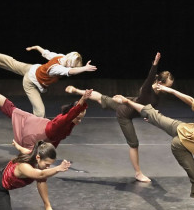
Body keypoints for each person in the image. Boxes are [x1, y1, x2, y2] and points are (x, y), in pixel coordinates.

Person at [66, 52, 174, 182]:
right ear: (159, 83)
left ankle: (76, 90)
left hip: (130, 102)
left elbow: (150, 105)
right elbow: (150, 77)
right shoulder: (147, 89)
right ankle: (138, 173)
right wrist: (155, 64)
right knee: (134, 144)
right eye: (167, 87)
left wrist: (149, 115)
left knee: (101, 98)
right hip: (125, 113)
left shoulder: (158, 93)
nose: (169, 90)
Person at [0, 76, 89, 150]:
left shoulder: (67, 122)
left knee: (11, 109)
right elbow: (72, 115)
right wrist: (83, 99)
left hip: (37, 123)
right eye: (78, 118)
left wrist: (50, 155)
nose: (79, 121)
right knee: (29, 159)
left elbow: (56, 141)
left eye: (80, 119)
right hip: (35, 131)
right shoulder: (63, 121)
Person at [0, 45, 97, 117]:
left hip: (34, 68)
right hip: (31, 81)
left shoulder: (61, 57)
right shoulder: (57, 68)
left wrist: (37, 47)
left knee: (12, 63)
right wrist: (85, 69)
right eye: (73, 66)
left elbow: (47, 53)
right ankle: (37, 134)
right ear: (70, 64)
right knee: (40, 112)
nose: (73, 68)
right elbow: (69, 72)